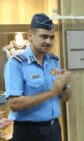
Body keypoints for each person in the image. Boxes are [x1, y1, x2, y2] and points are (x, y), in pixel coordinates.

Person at [4, 13, 72, 141]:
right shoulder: (16, 63)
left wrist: (64, 86)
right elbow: (14, 104)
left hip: (53, 129)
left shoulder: (53, 60)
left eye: (52, 37)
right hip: (28, 132)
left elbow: (66, 98)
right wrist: (52, 92)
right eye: (44, 36)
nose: (48, 41)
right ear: (30, 36)